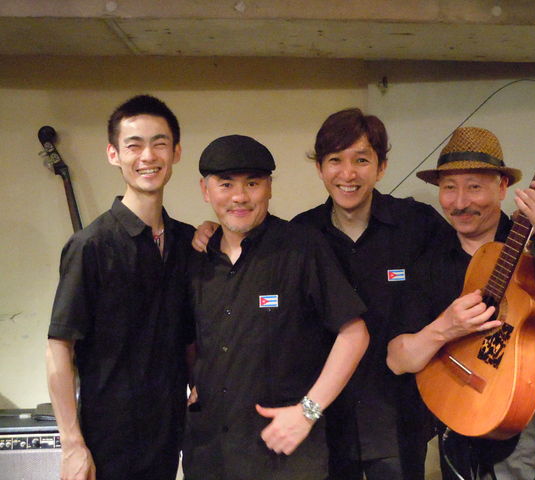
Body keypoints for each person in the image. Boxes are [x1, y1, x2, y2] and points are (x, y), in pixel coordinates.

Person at [386, 126, 535, 479]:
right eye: (449, 188)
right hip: (464, 440)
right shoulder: (430, 264)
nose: (460, 203)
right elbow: (397, 359)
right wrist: (445, 328)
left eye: (474, 187)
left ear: (502, 187)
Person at [183, 134, 370, 480]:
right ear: (205, 190)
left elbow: (354, 334)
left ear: (269, 188)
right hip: (210, 455)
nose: (240, 196)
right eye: (226, 184)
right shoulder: (196, 259)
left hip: (285, 457)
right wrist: (194, 382)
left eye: (252, 183)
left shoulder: (302, 247)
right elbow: (189, 339)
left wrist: (308, 411)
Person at [291, 108, 450, 480]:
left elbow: (465, 270)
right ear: (320, 168)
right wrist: (210, 232)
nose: (348, 174)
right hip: (325, 425)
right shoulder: (300, 235)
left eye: (361, 160)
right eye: (335, 160)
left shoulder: (418, 223)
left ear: (381, 168)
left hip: (401, 420)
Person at [46, 94, 195, 480]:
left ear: (176, 152)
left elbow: (189, 336)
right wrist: (72, 444)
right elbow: (59, 347)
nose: (148, 156)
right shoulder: (91, 246)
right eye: (134, 145)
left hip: (167, 438)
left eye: (159, 143)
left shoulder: (186, 242)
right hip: (107, 443)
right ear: (113, 154)